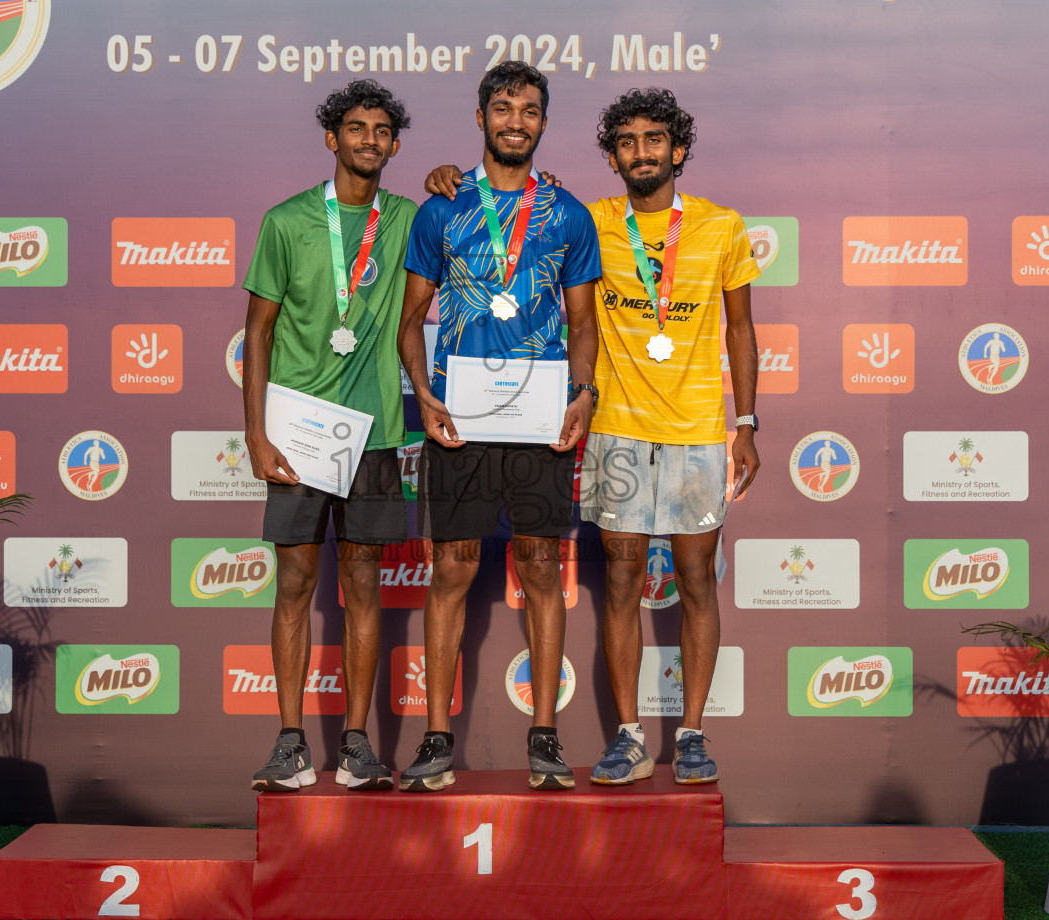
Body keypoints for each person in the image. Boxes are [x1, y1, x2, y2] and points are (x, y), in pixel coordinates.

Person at [424, 88, 761, 785]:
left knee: (698, 581)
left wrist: (748, 422)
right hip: (613, 427)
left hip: (699, 430)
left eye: (656, 139)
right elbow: (512, 206)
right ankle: (631, 737)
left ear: (680, 149)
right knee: (621, 584)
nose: (643, 151)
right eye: (628, 141)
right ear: (612, 157)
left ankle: (693, 734)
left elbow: (741, 329)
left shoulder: (723, 226)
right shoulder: (587, 220)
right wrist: (449, 179)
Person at [396, 61, 600, 792]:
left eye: (531, 110)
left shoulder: (568, 213)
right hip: (462, 421)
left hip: (543, 420)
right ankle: (436, 739)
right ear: (481, 115)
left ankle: (544, 736)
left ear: (544, 122)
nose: (517, 120)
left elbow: (582, 321)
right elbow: (410, 320)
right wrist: (424, 392)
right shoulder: (441, 210)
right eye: (504, 108)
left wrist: (582, 393)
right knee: (450, 571)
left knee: (541, 569)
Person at [241, 79, 418, 792]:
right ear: (331, 137)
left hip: (373, 434)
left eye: (381, 131)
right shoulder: (286, 222)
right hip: (297, 432)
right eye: (356, 128)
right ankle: (288, 742)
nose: (368, 139)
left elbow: (491, 199)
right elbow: (256, 334)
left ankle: (355, 745)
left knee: (365, 586)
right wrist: (254, 435)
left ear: (394, 145)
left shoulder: (408, 217)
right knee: (293, 582)